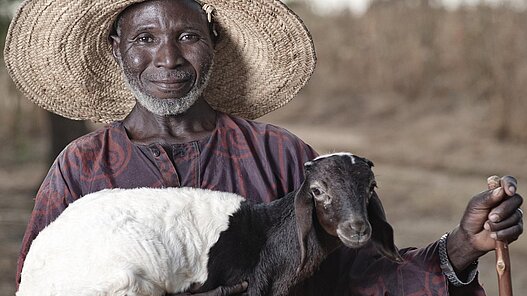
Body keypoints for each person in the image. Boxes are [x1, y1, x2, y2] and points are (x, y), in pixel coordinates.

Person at [4, 0, 523, 295]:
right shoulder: (82, 167)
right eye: (144, 37)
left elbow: (358, 278)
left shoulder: (281, 157)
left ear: (215, 42)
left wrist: (461, 246)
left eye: (187, 36)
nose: (167, 57)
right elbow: (46, 280)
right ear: (116, 48)